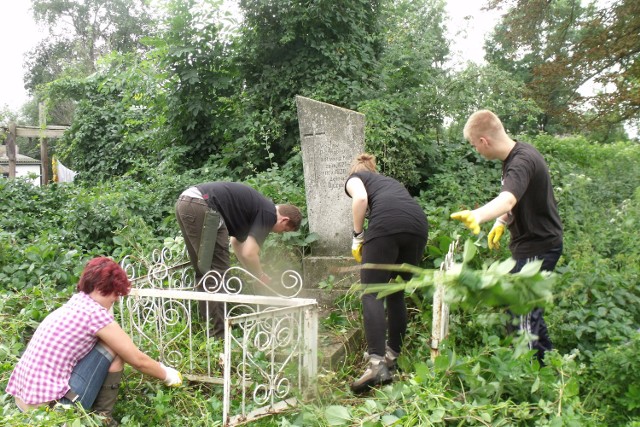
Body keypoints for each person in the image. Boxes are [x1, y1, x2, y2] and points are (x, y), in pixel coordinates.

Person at [5, 257, 182, 425]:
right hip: (52, 413)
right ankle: (103, 419)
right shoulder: (94, 314)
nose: (116, 299)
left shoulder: (74, 304)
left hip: (24, 406)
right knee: (116, 350)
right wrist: (167, 375)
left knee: (104, 345)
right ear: (99, 288)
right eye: (115, 294)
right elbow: (138, 360)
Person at [450, 109, 563, 365]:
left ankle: (530, 376)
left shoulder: (521, 161)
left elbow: (508, 197)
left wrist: (478, 216)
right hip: (538, 243)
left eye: (473, 145)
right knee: (529, 310)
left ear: (484, 141)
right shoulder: (517, 155)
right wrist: (502, 221)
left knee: (520, 315)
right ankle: (549, 367)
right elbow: (516, 199)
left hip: (537, 247)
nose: (476, 151)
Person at [345, 153, 429, 393]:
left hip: (387, 226)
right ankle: (392, 357)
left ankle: (376, 364)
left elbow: (360, 199)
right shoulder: (389, 182)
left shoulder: (355, 178)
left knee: (371, 292)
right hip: (418, 227)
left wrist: (358, 235)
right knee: (395, 293)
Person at [175, 181, 302, 338]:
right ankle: (219, 337)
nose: (279, 233)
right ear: (284, 220)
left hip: (186, 202)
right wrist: (260, 276)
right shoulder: (268, 214)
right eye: (284, 230)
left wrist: (254, 274)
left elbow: (237, 243)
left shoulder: (257, 208)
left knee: (205, 272)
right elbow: (250, 253)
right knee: (218, 276)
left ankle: (208, 331)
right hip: (203, 206)